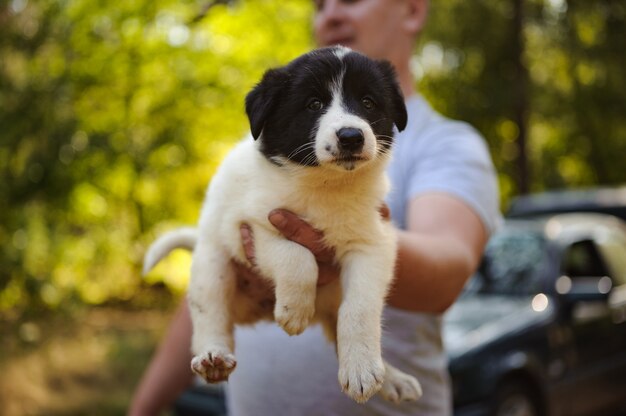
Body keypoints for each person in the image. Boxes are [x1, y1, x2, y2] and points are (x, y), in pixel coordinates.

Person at [129, 0, 502, 415]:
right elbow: (213, 273)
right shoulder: (274, 145)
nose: (332, 14)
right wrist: (142, 408)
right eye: (320, 4)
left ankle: (378, 367)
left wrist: (349, 243)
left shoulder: (446, 144)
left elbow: (449, 270)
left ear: (412, 10)